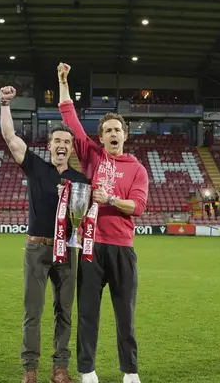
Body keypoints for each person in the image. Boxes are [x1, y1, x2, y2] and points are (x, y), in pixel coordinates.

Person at [56, 63, 149, 383]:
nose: (112, 134)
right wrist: (63, 81)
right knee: (88, 314)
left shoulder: (137, 169)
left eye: (117, 130)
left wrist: (109, 199)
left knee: (126, 316)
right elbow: (70, 117)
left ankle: (130, 372)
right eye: (107, 130)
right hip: (92, 249)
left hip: (123, 250)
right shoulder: (92, 156)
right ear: (101, 137)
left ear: (125, 135)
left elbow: (137, 207)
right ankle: (87, 370)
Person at [0, 85, 88, 383]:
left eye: (67, 141)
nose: (62, 145)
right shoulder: (36, 167)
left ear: (72, 149)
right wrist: (5, 105)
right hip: (36, 250)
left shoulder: (80, 181)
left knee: (64, 312)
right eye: (57, 140)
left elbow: (85, 220)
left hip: (67, 252)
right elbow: (10, 138)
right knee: (32, 313)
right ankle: (30, 370)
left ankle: (60, 368)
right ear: (49, 146)